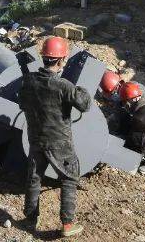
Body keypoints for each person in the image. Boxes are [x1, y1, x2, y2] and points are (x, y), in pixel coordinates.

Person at [17, 36, 90, 239]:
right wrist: (80, 89)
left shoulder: (28, 81)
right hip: (60, 141)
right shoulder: (63, 86)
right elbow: (84, 105)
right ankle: (67, 225)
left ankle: (30, 218)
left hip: (36, 139)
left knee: (34, 177)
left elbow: (22, 104)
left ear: (43, 58)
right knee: (68, 178)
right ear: (61, 60)